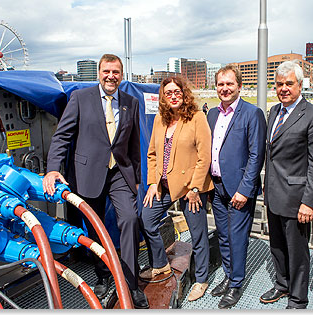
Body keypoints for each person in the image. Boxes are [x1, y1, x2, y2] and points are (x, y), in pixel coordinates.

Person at [42, 54, 149, 308]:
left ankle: (130, 283)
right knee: (95, 227)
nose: (111, 76)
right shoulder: (81, 98)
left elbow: (133, 145)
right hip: (88, 174)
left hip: (119, 174)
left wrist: (135, 178)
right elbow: (62, 136)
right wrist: (52, 169)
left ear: (121, 75)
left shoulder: (131, 103)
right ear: (99, 73)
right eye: (106, 71)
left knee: (130, 220)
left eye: (116, 72)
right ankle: (102, 275)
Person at [140, 76, 213, 302]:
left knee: (197, 234)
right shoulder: (161, 119)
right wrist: (153, 182)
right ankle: (160, 264)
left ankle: (201, 279)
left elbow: (205, 157)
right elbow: (152, 153)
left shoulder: (197, 118)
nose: (172, 96)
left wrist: (195, 188)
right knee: (147, 218)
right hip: (164, 186)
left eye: (177, 92)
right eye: (168, 92)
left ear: (184, 93)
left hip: (190, 188)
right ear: (163, 96)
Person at [261, 60, 313, 309]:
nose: (284, 88)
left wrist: (309, 202)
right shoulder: (274, 112)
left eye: (289, 83)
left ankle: (298, 299)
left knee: (298, 252)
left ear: (300, 85)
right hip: (274, 194)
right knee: (277, 245)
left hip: (297, 198)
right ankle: (282, 284)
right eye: (279, 84)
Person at [207, 64, 267, 309]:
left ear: (239, 86)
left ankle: (236, 284)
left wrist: (245, 189)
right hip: (217, 186)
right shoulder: (212, 113)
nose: (225, 88)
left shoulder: (252, 113)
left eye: (230, 84)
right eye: (221, 84)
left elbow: (256, 155)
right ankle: (229, 275)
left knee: (237, 237)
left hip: (239, 189)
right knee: (223, 236)